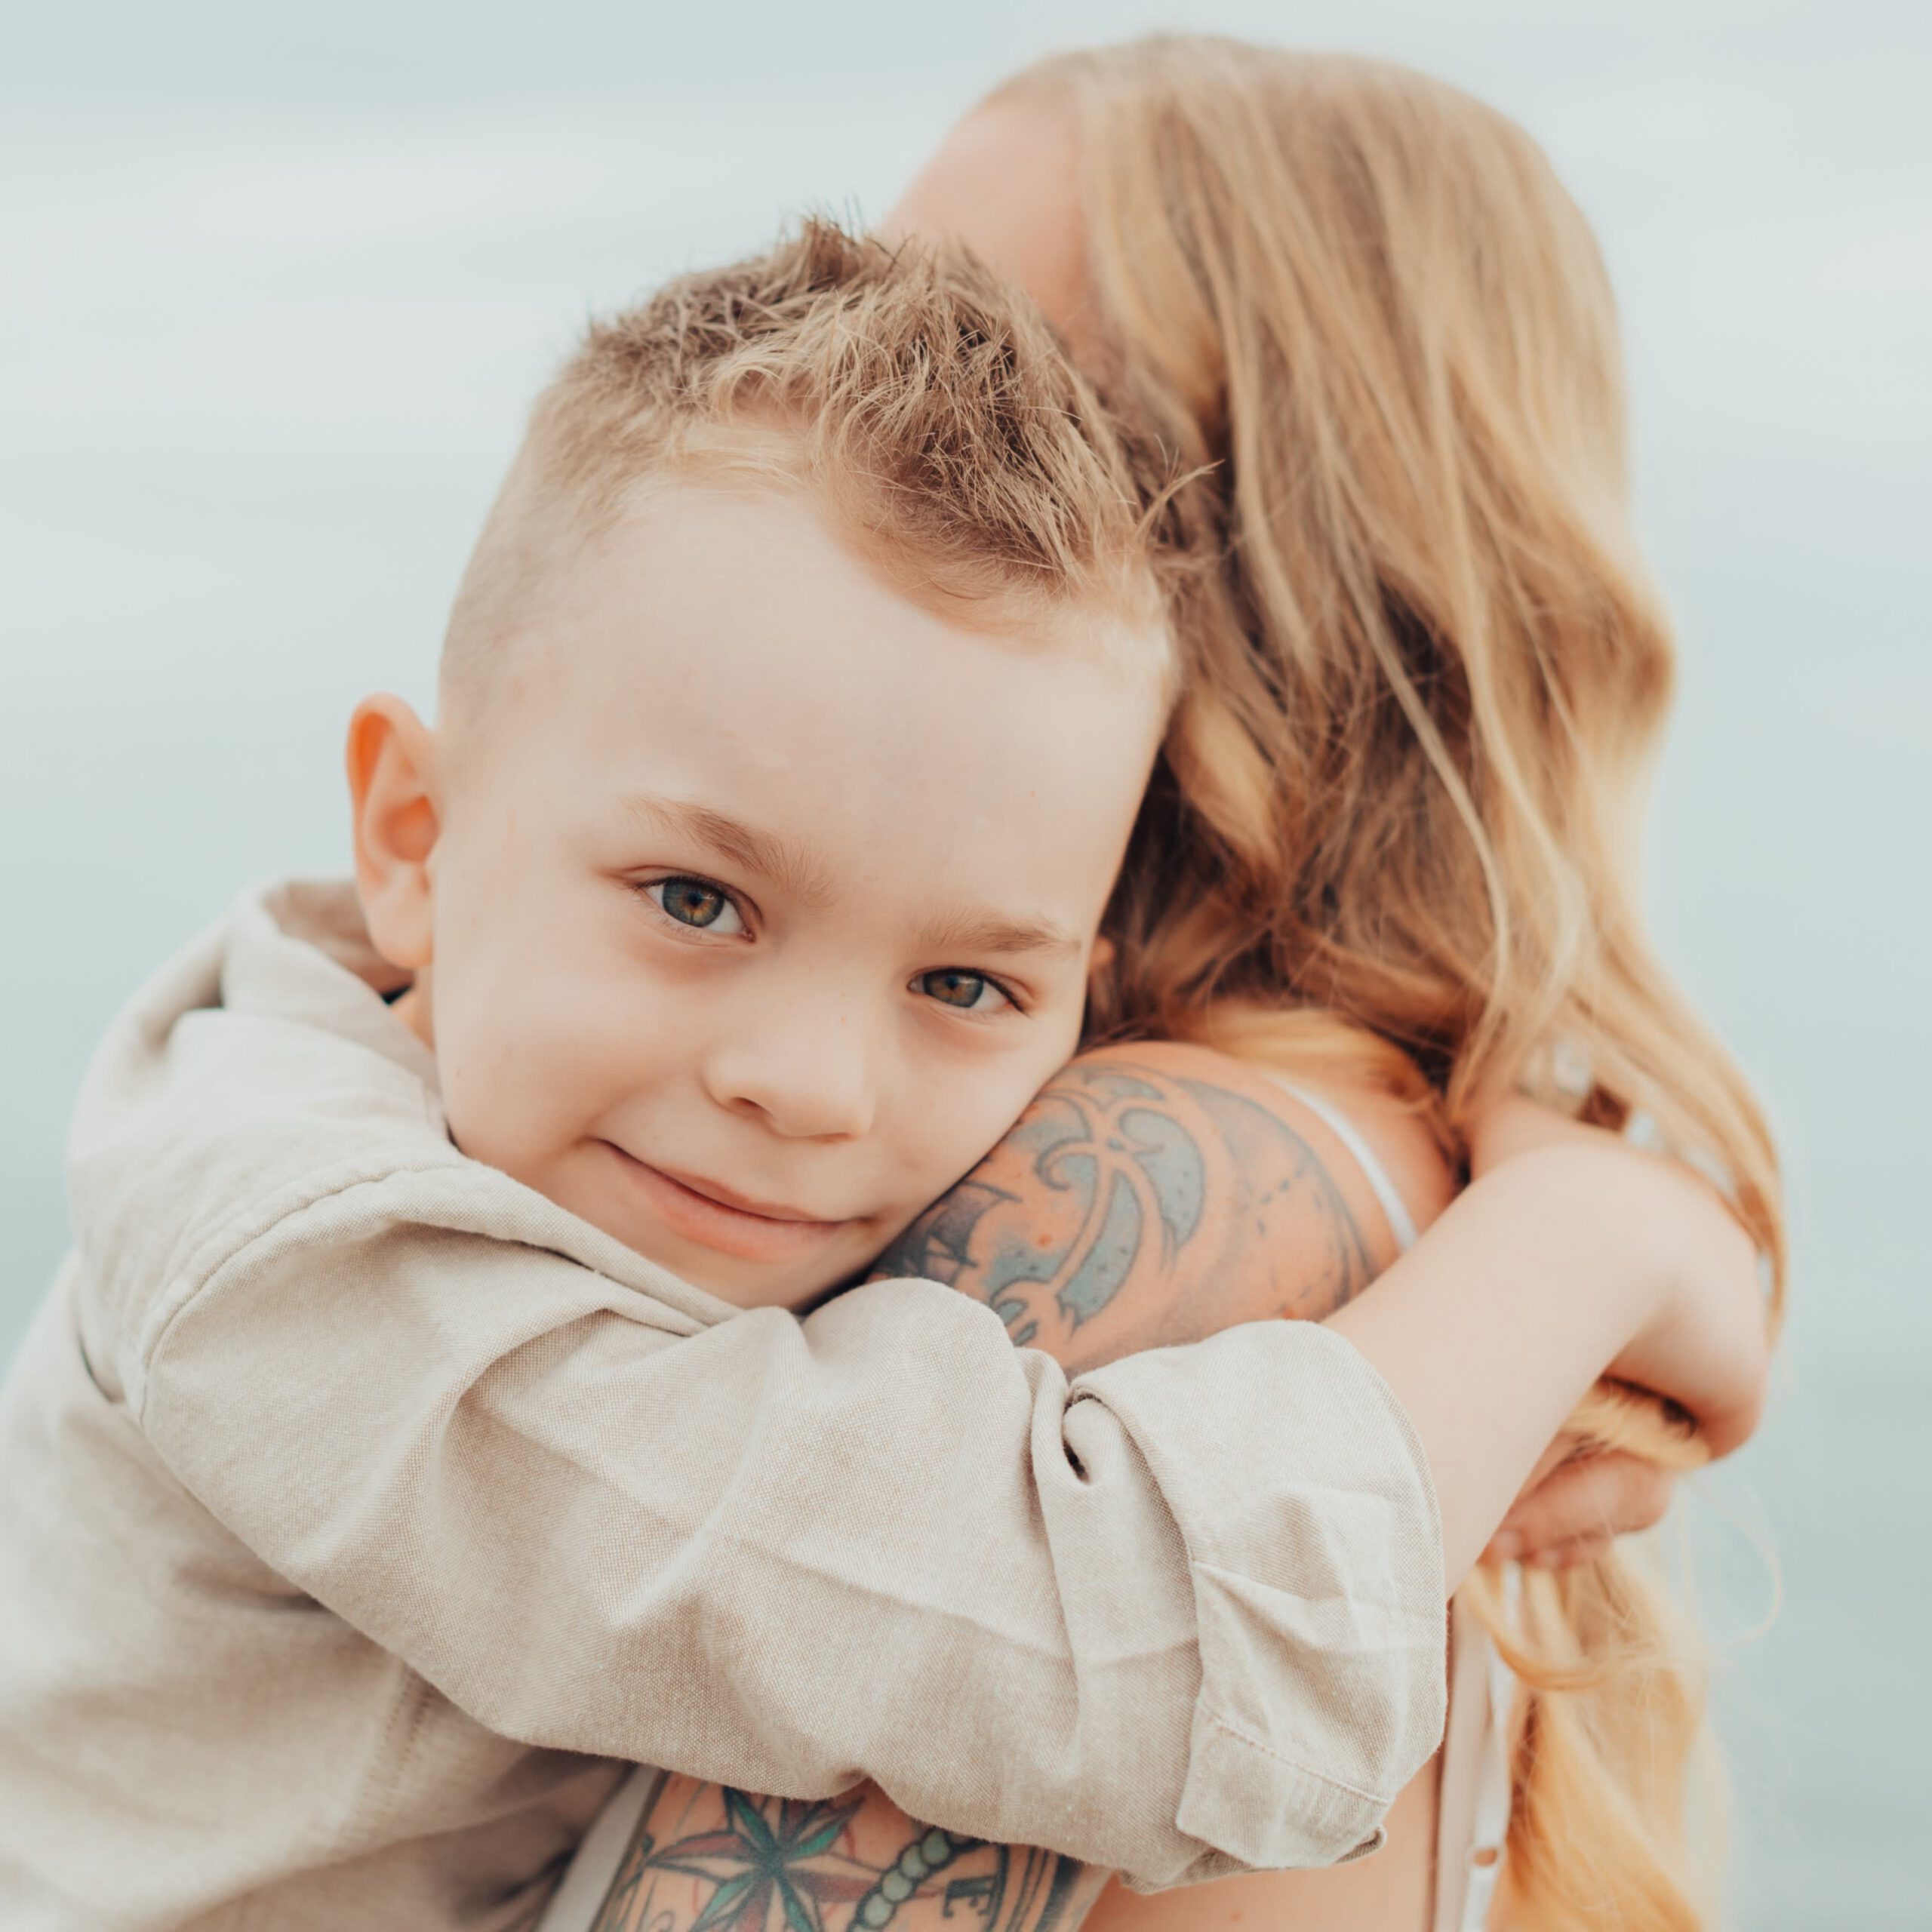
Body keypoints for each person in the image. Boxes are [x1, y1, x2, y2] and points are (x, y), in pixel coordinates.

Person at [0, 221, 1765, 1931]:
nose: (814, 1085)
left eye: (963, 981)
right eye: (696, 898)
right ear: (414, 833)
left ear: (1089, 983)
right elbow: (1146, 1662)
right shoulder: (316, 1287)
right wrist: (1584, 1233)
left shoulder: (508, 1074)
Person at [544, 36, 1788, 1932]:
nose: (834, 411)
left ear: (1242, 539)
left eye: (971, 378)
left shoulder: (1122, 1191)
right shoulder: (1420, 1150)